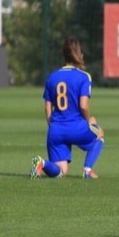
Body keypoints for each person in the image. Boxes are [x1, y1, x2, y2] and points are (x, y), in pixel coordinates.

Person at [31, 37, 105, 178]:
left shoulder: (52, 77)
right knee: (99, 134)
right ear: (79, 54)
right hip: (76, 128)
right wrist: (89, 122)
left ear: (64, 55)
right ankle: (87, 171)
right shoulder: (84, 77)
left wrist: (53, 126)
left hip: (56, 130)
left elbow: (47, 108)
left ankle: (42, 163)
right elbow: (83, 105)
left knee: (60, 171)